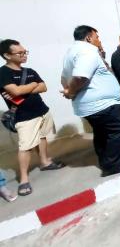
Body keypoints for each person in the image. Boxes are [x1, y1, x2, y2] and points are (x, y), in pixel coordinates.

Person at [61, 25, 120, 177]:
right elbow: (80, 77)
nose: (99, 40)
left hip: (91, 105)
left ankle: (105, 159)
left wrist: (69, 91)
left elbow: (64, 78)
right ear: (88, 38)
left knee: (101, 132)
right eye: (97, 37)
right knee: (119, 128)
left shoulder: (71, 52)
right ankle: (111, 164)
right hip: (102, 104)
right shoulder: (87, 51)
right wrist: (71, 92)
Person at [0, 39, 64, 196]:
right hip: (24, 116)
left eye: (25, 52)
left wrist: (25, 88)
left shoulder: (29, 70)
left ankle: (45, 162)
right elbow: (14, 92)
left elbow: (44, 86)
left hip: (41, 110)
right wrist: (32, 85)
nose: (24, 55)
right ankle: (23, 179)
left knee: (42, 137)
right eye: (20, 53)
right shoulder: (3, 73)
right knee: (25, 147)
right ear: (7, 55)